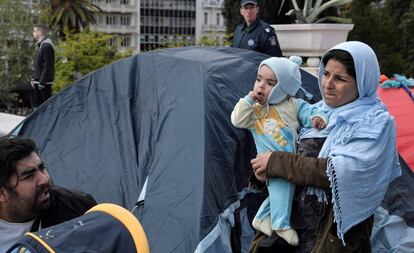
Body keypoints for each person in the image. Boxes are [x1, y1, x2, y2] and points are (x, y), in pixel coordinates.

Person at [249, 41, 402, 253]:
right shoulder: (314, 113)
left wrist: (276, 162)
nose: (328, 84)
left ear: (362, 83)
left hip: (331, 239)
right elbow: (287, 151)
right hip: (289, 235)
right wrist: (264, 172)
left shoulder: (375, 122)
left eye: (340, 79)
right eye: (326, 73)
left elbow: (339, 172)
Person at [231, 56, 327, 246]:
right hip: (267, 163)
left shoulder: (293, 104)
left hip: (286, 160)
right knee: (282, 189)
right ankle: (280, 224)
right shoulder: (256, 110)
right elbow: (237, 120)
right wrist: (248, 99)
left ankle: (261, 217)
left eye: (270, 83)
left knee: (284, 192)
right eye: (258, 79)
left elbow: (308, 113)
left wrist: (317, 117)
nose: (261, 86)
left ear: (284, 87)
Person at [0, 137, 97, 252]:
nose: (44, 179)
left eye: (42, 168)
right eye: (29, 176)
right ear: (2, 194)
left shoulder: (77, 212)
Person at [31, 24, 55, 107]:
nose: (32, 33)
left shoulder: (47, 46)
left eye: (34, 31)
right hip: (37, 82)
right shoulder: (39, 46)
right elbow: (37, 64)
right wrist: (33, 79)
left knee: (46, 108)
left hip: (44, 83)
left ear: (40, 32)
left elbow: (48, 65)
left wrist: (42, 82)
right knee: (37, 108)